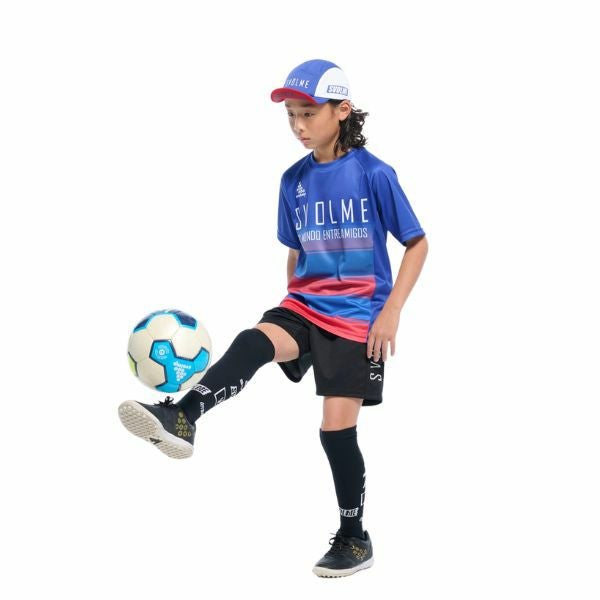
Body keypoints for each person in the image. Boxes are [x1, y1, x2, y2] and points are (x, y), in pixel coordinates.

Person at [118, 58, 428, 578]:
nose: (299, 125)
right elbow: (295, 248)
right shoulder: (293, 180)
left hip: (357, 319)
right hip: (305, 306)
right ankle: (184, 417)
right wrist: (292, 301)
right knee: (252, 340)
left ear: (342, 110)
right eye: (291, 116)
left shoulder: (374, 174)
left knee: (335, 431)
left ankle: (354, 537)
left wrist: (391, 311)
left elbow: (417, 243)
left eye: (308, 113)